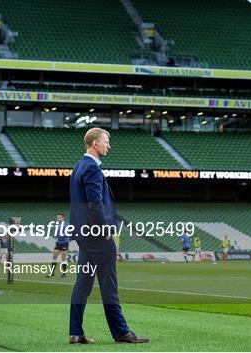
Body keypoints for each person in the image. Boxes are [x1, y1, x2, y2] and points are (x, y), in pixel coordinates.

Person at [69, 128, 149, 345]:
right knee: (109, 286)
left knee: (83, 285)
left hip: (84, 235)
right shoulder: (92, 169)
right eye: (106, 141)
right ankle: (121, 332)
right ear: (94, 143)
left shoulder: (78, 166)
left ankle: (75, 333)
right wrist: (105, 230)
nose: (109, 145)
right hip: (97, 236)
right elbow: (95, 204)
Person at [47, 213, 70, 278]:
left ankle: (64, 273)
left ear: (63, 218)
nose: (58, 219)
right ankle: (52, 272)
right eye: (57, 218)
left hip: (65, 243)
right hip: (58, 243)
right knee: (54, 257)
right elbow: (57, 234)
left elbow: (70, 232)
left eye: (59, 218)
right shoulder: (57, 225)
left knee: (63, 257)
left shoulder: (67, 224)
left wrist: (65, 233)